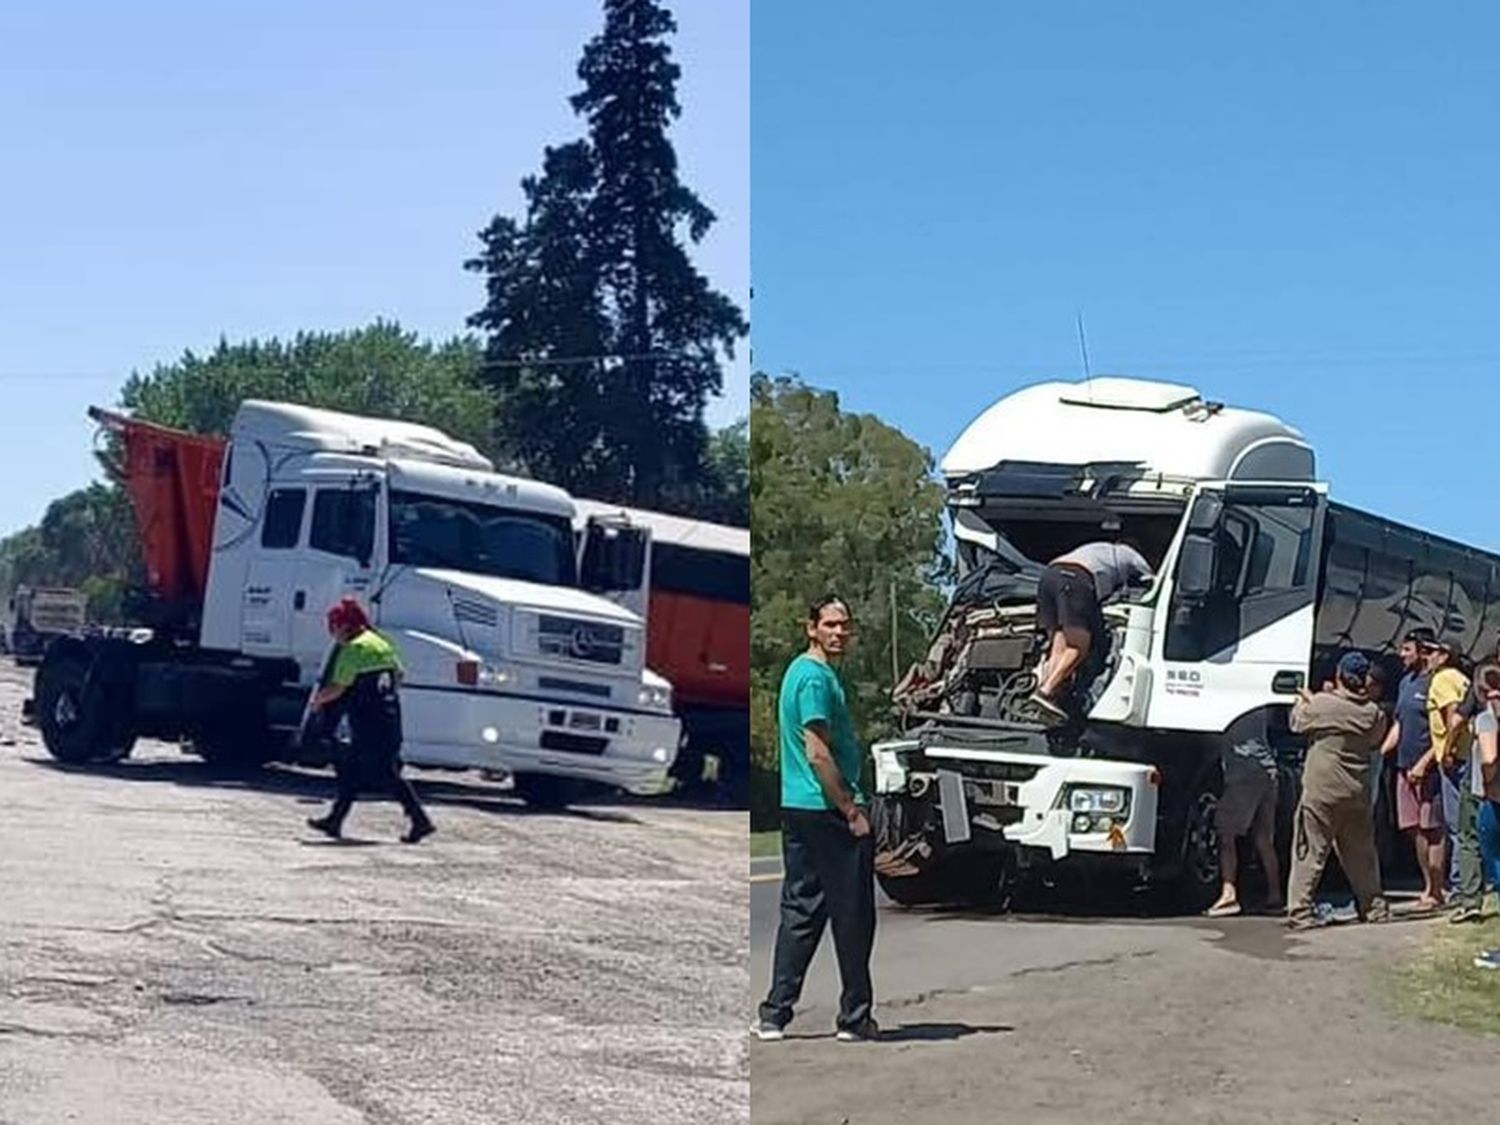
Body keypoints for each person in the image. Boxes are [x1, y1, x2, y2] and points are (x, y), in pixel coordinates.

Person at [755, 597, 879, 1044]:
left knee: (801, 910)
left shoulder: (806, 673)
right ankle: (855, 1017)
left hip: (799, 806)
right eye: (830, 624)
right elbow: (817, 750)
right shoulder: (813, 679)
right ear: (811, 628)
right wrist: (850, 809)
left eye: (844, 625)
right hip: (825, 808)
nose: (839, 632)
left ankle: (775, 1014)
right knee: (853, 914)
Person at [306, 597, 435, 844]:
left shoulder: (354, 649)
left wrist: (318, 701)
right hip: (389, 718)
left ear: (344, 626)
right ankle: (335, 820)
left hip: (368, 722)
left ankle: (421, 821)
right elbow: (399, 675)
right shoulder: (380, 642)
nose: (333, 632)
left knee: (387, 774)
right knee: (356, 770)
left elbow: (339, 687)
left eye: (334, 626)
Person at [1285, 652, 1389, 929]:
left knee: (1310, 852)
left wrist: (1304, 702)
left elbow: (1297, 723)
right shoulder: (1373, 713)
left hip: (1321, 791)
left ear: (1340, 676)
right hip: (1357, 792)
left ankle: (1301, 911)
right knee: (1362, 854)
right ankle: (1374, 907)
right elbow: (1375, 739)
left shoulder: (1321, 705)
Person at [1029, 539, 1153, 725]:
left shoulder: (1099, 549)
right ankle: (1046, 692)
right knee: (1078, 647)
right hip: (1075, 578)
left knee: (1059, 644)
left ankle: (1047, 696)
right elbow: (1153, 581)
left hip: (1049, 576)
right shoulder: (1130, 554)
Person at [1381, 628, 1447, 910]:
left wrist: (1425, 763)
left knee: (1433, 829)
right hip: (1403, 767)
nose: (1401, 654)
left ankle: (1437, 890)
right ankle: (1428, 884)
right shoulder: (1406, 683)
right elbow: (1399, 723)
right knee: (1412, 828)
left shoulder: (1436, 683)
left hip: (1429, 769)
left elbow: (1445, 732)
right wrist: (1381, 751)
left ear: (1422, 651)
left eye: (1407, 649)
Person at [1410, 637, 1476, 918]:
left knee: (1456, 825)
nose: (1428, 656)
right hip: (1464, 756)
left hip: (1455, 760)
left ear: (1445, 655)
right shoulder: (1461, 678)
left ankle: (1461, 887)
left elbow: (1453, 716)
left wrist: (1447, 750)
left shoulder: (1443, 679)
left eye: (1433, 651)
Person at [1206, 712, 1282, 917]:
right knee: (1264, 840)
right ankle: (1275, 896)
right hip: (1268, 769)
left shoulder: (1232, 702)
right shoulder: (1259, 705)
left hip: (1243, 771)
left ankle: (1228, 893)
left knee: (1226, 835)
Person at [1469, 665, 1500, 960]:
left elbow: (1489, 757)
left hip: (1496, 801)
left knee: (1498, 869)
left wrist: (1489, 779)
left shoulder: (1487, 719)